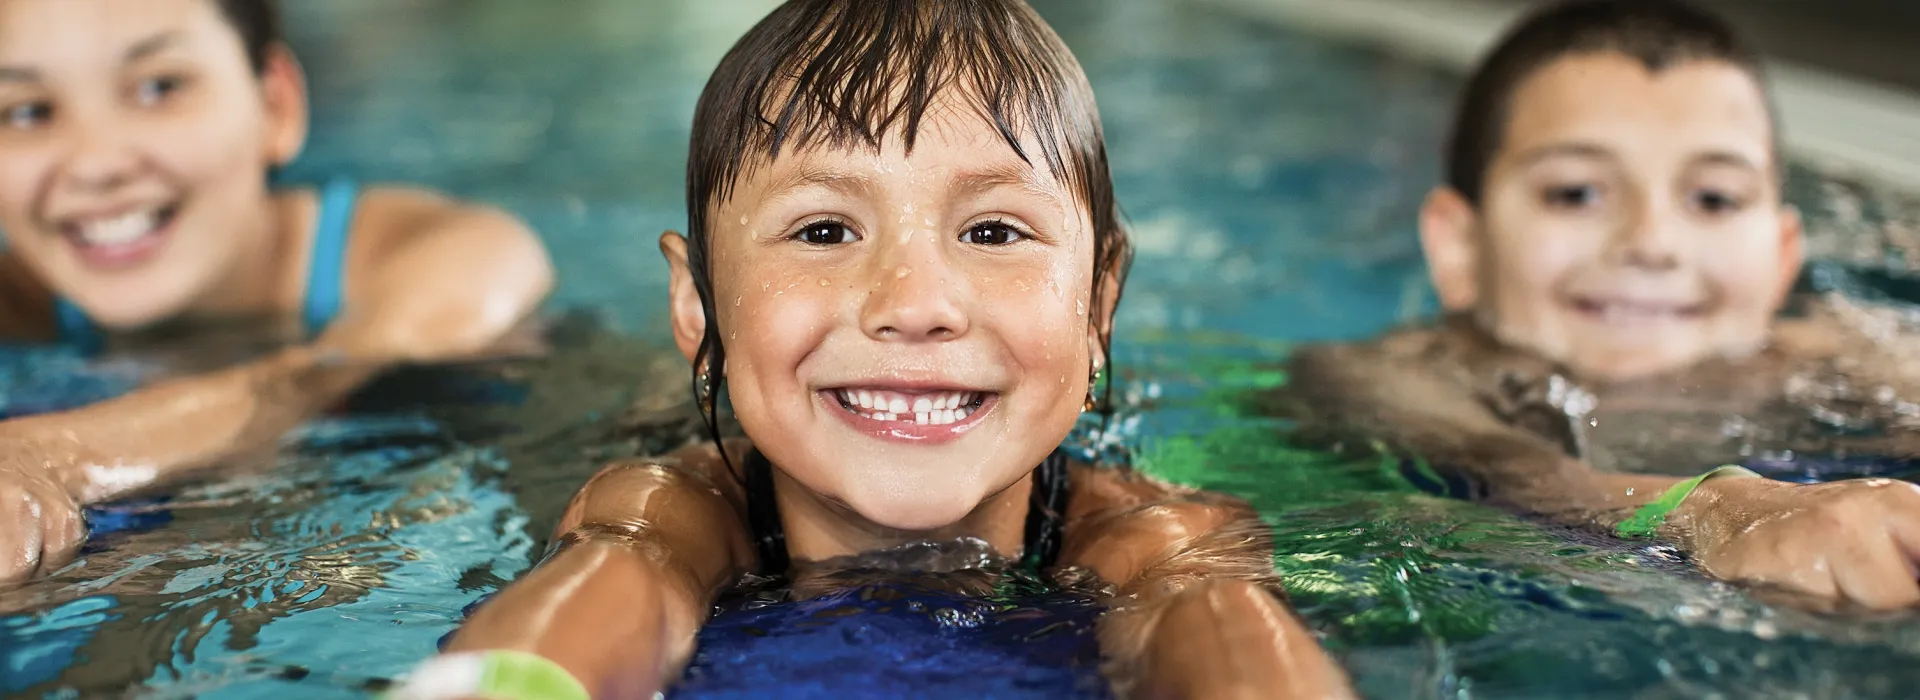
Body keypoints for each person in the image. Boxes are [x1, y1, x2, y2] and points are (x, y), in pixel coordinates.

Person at [391, 1, 1356, 698]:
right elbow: (613, 584)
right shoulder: (671, 513)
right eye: (822, 232)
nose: (915, 307)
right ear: (697, 307)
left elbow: (1219, 638)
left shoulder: (1156, 539)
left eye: (992, 233)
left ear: (1099, 303)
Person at [1280, 0, 1920, 611]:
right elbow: (1522, 477)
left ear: (1783, 258)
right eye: (1577, 193)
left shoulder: (1841, 354)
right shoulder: (1389, 375)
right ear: (1461, 248)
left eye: (1715, 199)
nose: (1651, 244)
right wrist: (1721, 512)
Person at [0, 0, 552, 583]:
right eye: (28, 111)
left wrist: (49, 457)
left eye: (160, 86)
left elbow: (315, 376)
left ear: (275, 105)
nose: (97, 164)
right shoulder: (18, 302)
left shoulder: (458, 253)